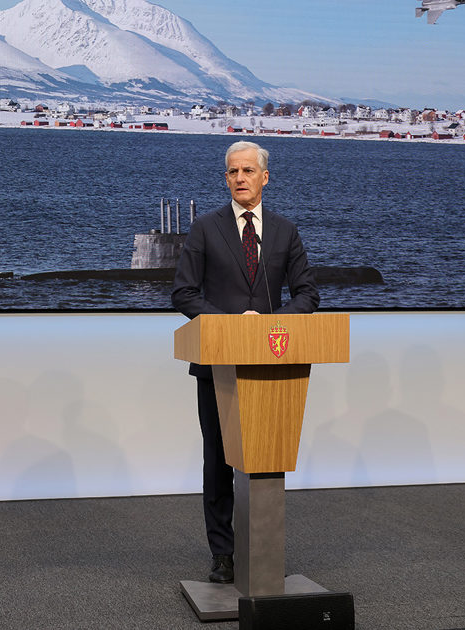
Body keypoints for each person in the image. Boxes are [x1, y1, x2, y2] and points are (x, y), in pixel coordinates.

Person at [172, 141, 319, 583]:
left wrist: (270, 324)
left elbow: (308, 294)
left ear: (264, 177)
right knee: (219, 461)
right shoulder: (205, 228)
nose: (240, 178)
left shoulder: (285, 231)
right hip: (217, 364)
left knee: (265, 458)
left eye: (248, 171)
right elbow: (184, 293)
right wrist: (234, 326)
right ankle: (222, 554)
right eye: (233, 171)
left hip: (272, 364)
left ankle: (263, 551)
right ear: (226, 178)